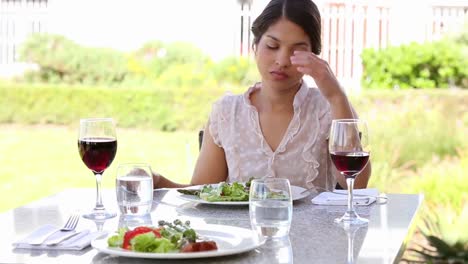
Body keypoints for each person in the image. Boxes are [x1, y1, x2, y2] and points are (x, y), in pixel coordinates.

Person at [153, 0, 371, 191]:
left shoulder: (325, 109)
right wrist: (158, 181)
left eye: (297, 50)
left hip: (314, 237)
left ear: (313, 55)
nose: (282, 60)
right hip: (242, 237)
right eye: (272, 46)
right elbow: (202, 192)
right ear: (255, 46)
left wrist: (335, 94)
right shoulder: (227, 113)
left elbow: (357, 183)